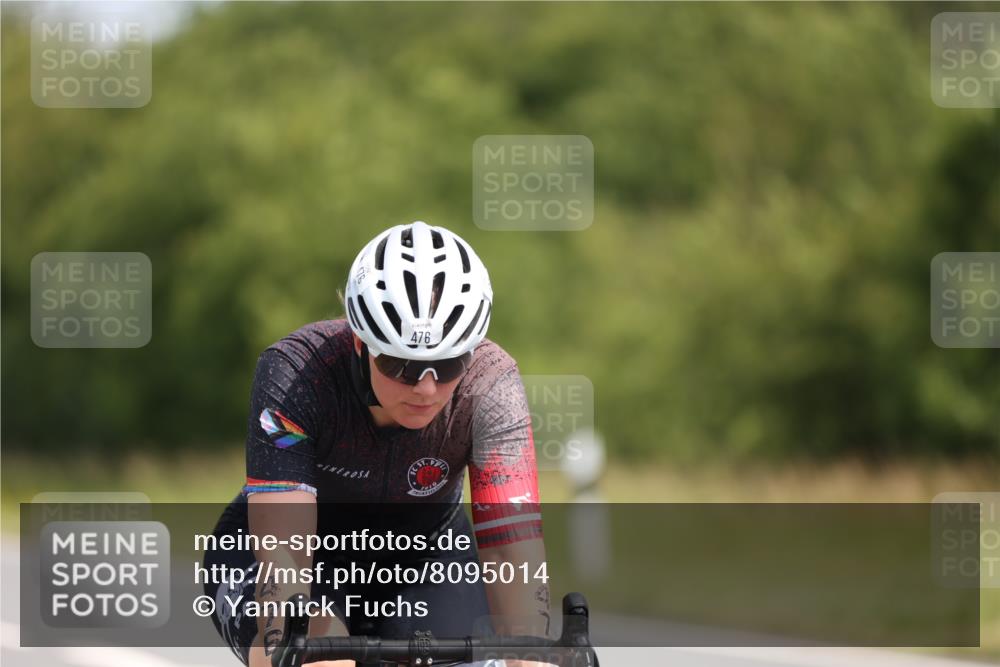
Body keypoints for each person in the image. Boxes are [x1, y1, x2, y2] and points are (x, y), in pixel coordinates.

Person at [203, 221, 550, 667]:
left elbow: (509, 544)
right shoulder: (295, 375)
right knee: (315, 659)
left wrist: (531, 649)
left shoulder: (491, 386)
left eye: (448, 364)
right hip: (303, 551)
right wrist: (287, 639)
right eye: (402, 364)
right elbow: (284, 548)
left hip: (426, 557)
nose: (426, 388)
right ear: (360, 344)